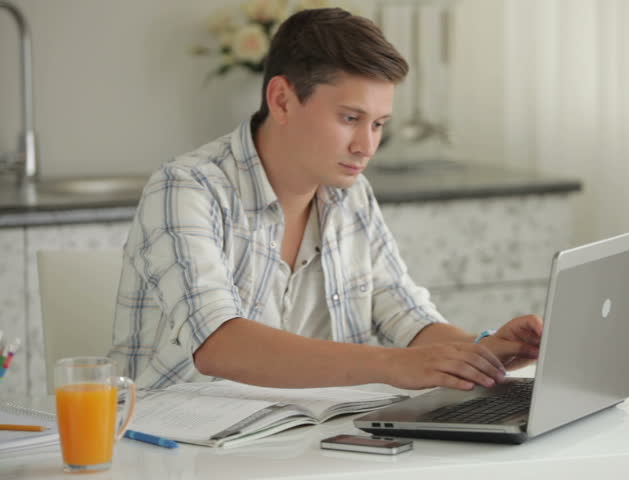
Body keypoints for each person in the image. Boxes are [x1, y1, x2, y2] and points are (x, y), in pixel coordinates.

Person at [109, 8, 543, 391]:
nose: (366, 146)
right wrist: (393, 365)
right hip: (180, 447)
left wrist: (483, 350)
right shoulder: (187, 188)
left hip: (311, 439)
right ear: (281, 99)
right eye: (351, 118)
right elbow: (220, 345)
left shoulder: (348, 193)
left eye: (378, 124)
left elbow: (404, 314)